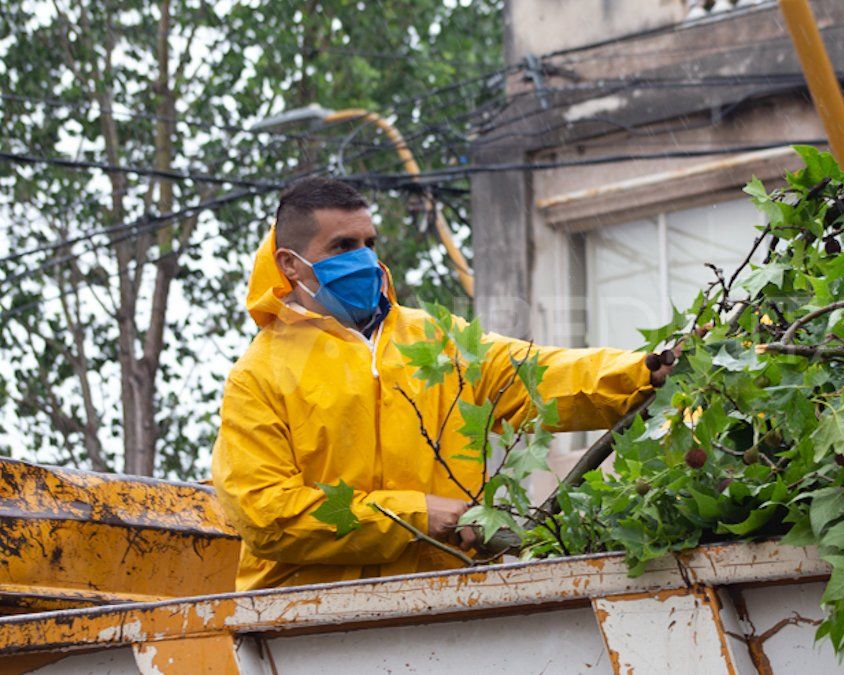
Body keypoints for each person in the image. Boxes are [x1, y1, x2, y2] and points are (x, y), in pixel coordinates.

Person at [212, 177, 675, 590]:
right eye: (342, 246)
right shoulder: (259, 376)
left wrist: (640, 372)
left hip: (445, 596)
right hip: (307, 622)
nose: (364, 259)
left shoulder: (436, 338)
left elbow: (536, 375)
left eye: (369, 242)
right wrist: (414, 515)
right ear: (290, 264)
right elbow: (265, 514)